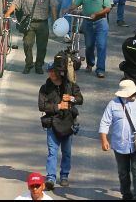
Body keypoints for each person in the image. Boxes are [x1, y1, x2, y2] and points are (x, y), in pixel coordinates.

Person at [99, 80, 136, 201]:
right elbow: (105, 122)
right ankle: (126, 195)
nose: (134, 95)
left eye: (134, 92)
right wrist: (104, 140)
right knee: (123, 172)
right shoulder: (113, 104)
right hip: (120, 144)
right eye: (131, 93)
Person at [38, 61, 83, 190]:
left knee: (66, 152)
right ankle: (51, 178)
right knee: (52, 152)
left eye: (54, 71)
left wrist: (71, 98)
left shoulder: (69, 85)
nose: (51, 73)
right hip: (52, 123)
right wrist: (57, 106)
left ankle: (64, 175)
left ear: (59, 72)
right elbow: (41, 106)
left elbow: (80, 99)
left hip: (68, 123)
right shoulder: (45, 88)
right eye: (50, 71)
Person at [5, 0, 58, 74]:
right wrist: (7, 13)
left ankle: (39, 65)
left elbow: (53, 6)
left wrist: (55, 21)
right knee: (27, 44)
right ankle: (29, 64)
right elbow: (15, 4)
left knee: (42, 46)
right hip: (29, 24)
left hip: (43, 23)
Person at [68, 0, 111, 78]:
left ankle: (100, 69)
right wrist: (68, 9)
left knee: (101, 45)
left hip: (101, 22)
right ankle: (90, 63)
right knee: (89, 45)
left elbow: (107, 8)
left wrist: (96, 14)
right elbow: (76, 3)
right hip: (87, 21)